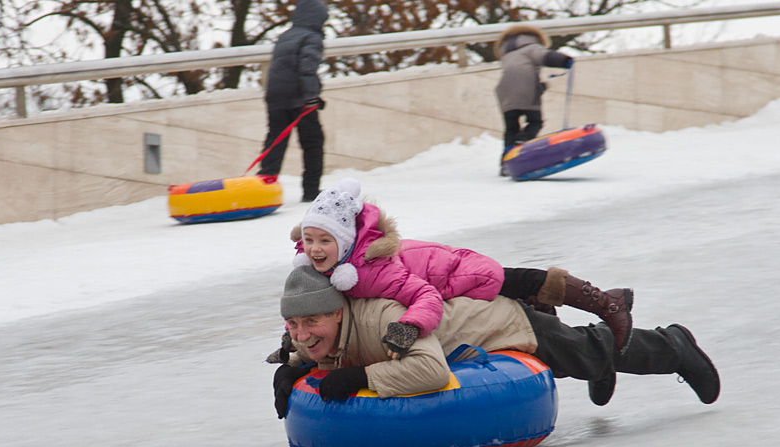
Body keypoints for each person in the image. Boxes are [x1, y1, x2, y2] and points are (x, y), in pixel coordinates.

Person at [270, 266, 720, 418]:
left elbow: (429, 371)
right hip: (473, 337)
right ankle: (600, 363)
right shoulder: (319, 328)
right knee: (579, 357)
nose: (303, 334)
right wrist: (292, 366)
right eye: (293, 326)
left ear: (337, 310)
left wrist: (360, 377)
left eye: (312, 322)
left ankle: (674, 346)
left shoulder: (383, 319)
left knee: (585, 353)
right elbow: (309, 343)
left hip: (503, 324)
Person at [280, 177, 632, 361]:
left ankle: (606, 303)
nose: (313, 249)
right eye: (309, 239)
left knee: (510, 283)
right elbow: (307, 306)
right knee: (519, 294)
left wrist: (408, 328)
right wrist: (290, 339)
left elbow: (426, 295)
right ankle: (562, 319)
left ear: (343, 243)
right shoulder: (320, 264)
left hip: (452, 272)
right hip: (428, 262)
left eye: (324, 241)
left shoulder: (373, 270)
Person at [257, 0, 329, 202]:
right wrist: (312, 97)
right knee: (313, 143)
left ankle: (262, 190)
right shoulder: (312, 37)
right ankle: (311, 191)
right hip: (299, 98)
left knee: (275, 143)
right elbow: (307, 69)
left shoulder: (285, 36)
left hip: (275, 97)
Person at [494, 24, 574, 176]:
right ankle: (522, 142)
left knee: (511, 129)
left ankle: (506, 164)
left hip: (504, 93)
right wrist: (564, 61)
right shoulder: (530, 48)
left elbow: (517, 74)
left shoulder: (507, 56)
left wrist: (541, 86)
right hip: (526, 89)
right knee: (535, 121)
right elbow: (545, 56)